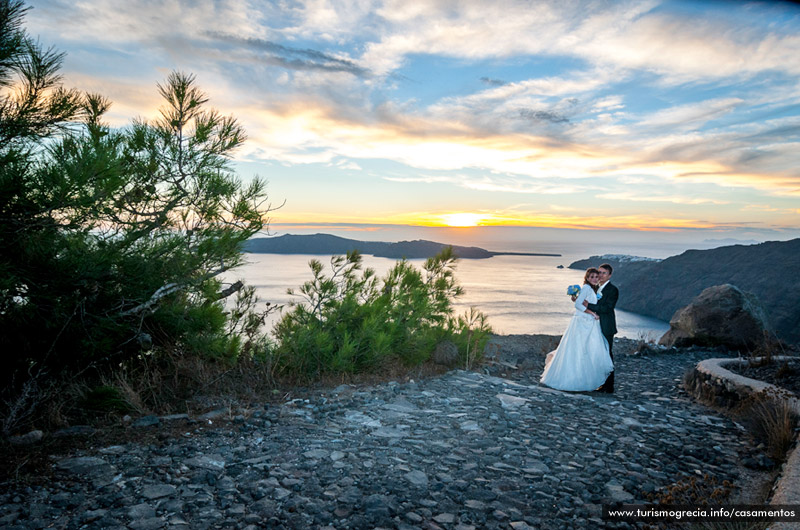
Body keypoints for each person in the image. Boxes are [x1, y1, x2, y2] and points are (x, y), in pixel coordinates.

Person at [540, 268, 613, 392]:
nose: (595, 279)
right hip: (582, 322)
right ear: (587, 278)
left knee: (585, 350)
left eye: (596, 277)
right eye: (592, 277)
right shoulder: (586, 288)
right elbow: (578, 305)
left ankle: (582, 378)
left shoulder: (591, 289)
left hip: (588, 323)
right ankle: (572, 380)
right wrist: (592, 313)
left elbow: (583, 302)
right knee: (578, 350)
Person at [582, 263, 618, 393]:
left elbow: (607, 308)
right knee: (595, 354)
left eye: (604, 273)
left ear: (609, 275)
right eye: (600, 272)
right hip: (594, 326)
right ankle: (598, 382)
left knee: (607, 355)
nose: (601, 275)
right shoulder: (595, 288)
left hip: (606, 326)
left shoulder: (612, 290)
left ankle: (609, 386)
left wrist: (589, 305)